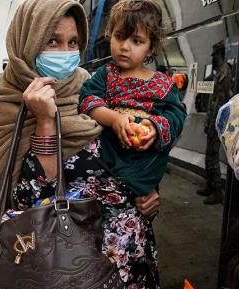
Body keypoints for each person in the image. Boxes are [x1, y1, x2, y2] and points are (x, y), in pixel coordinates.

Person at [0, 0, 163, 289]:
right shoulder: (9, 105)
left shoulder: (96, 89)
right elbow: (31, 195)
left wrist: (147, 189)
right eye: (52, 41)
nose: (65, 52)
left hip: (124, 261)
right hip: (60, 274)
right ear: (27, 42)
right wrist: (44, 120)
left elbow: (129, 150)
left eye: (73, 42)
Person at [79, 0, 186, 199]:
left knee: (134, 204)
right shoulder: (106, 75)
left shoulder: (163, 85)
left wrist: (154, 128)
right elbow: (88, 101)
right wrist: (114, 119)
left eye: (136, 41)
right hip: (106, 158)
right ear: (110, 36)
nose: (124, 47)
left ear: (151, 47)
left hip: (143, 164)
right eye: (119, 37)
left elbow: (176, 116)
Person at [198, 41, 234, 205]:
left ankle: (218, 191)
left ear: (220, 55)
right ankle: (210, 185)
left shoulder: (225, 74)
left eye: (214, 56)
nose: (212, 59)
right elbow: (212, 102)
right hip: (212, 121)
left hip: (217, 123)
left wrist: (214, 124)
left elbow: (221, 103)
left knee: (213, 156)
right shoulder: (218, 73)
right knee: (208, 155)